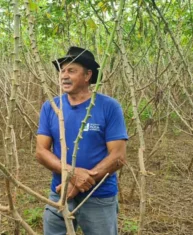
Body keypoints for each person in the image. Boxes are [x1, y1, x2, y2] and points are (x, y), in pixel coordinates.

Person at [36, 46, 128, 235]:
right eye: (62, 71)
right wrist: (71, 173)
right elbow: (41, 151)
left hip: (98, 195)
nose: (64, 76)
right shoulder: (51, 107)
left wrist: (80, 183)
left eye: (71, 70)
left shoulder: (109, 107)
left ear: (87, 76)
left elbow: (118, 156)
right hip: (59, 191)